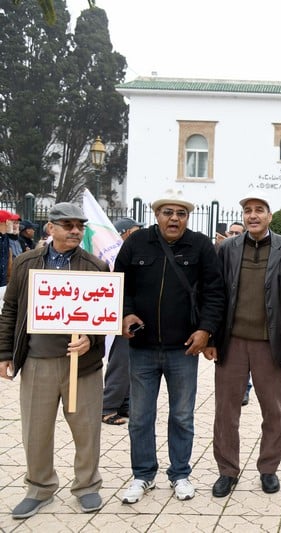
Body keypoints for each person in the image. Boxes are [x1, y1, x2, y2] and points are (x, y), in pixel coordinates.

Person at [114, 191, 225, 504]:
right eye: (167, 212)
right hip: (142, 347)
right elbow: (120, 284)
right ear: (157, 214)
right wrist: (126, 313)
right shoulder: (136, 244)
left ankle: (180, 474)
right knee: (139, 416)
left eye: (180, 213)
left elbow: (215, 292)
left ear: (187, 218)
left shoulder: (201, 245)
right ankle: (143, 474)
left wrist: (206, 330)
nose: (174, 218)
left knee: (182, 416)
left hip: (183, 349)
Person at [0, 203, 109, 518]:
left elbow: (106, 318)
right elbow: (10, 311)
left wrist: (92, 338)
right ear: (51, 229)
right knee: (36, 429)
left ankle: (87, 487)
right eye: (67, 225)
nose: (75, 230)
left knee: (87, 429)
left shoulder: (95, 266)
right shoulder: (25, 263)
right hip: (37, 361)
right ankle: (39, 488)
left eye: (79, 225)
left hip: (82, 367)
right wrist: (5, 354)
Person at [209, 194, 281, 497]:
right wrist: (211, 337)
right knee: (226, 410)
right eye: (247, 211)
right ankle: (227, 470)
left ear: (269, 216)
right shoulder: (227, 249)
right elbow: (216, 294)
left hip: (270, 342)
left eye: (259, 210)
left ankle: (268, 469)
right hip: (232, 341)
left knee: (274, 410)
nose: (253, 216)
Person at [101, 218, 144, 426]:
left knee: (130, 362)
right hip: (120, 314)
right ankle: (107, 406)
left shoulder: (134, 252)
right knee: (120, 361)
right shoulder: (114, 255)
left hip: (134, 314)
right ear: (124, 233)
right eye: (136, 230)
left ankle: (124, 402)